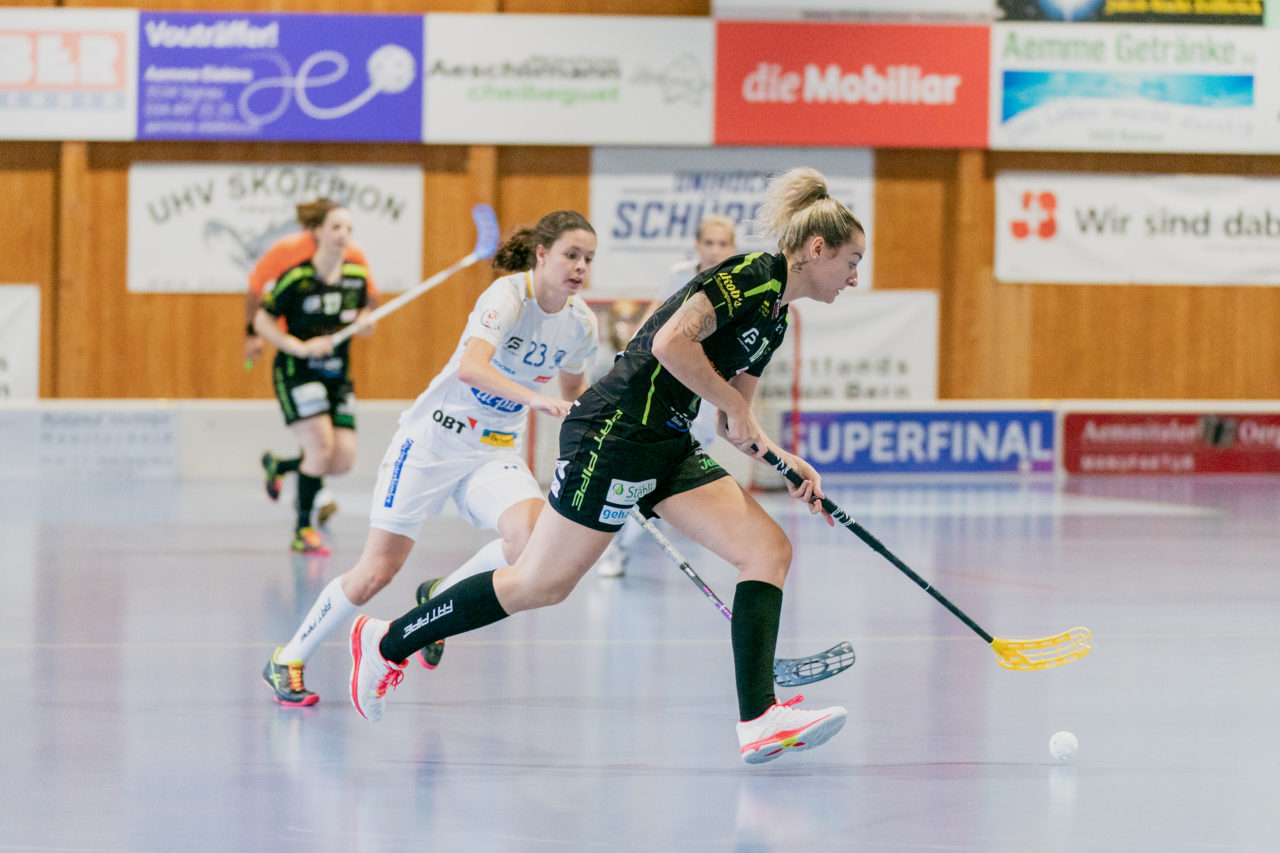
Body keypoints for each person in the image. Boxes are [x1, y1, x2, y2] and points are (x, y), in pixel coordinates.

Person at [349, 167, 866, 766]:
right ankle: (386, 642)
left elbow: (734, 420)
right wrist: (734, 407)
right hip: (615, 433)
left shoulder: (774, 317)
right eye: (851, 262)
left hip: (668, 442)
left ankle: (760, 719)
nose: (854, 277)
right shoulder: (750, 276)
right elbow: (671, 345)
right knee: (539, 584)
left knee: (767, 550)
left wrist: (784, 460)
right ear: (817, 249)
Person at [262, 210, 599, 707]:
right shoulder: (507, 296)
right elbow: (472, 368)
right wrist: (534, 399)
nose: (580, 267)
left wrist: (600, 427)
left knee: (530, 540)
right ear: (542, 254)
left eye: (588, 258)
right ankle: (288, 657)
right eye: (571, 255)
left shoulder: (581, 324)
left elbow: (574, 392)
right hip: (432, 442)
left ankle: (441, 596)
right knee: (376, 572)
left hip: (494, 451)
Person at [595, 214, 740, 578]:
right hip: (667, 384)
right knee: (644, 466)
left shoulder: (740, 284)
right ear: (697, 245)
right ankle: (615, 545)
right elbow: (654, 320)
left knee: (664, 473)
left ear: (733, 248)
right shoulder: (680, 275)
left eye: (723, 244)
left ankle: (621, 544)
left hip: (706, 394)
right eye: (709, 243)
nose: (715, 250)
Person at [251, 199, 376, 556]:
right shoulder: (297, 278)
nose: (343, 235)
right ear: (317, 231)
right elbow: (262, 320)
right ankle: (302, 529)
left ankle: (281, 465)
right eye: (336, 227)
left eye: (349, 229)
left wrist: (365, 322)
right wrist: (300, 347)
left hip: (337, 376)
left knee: (342, 460)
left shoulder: (356, 277)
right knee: (320, 448)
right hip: (297, 372)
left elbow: (365, 312)